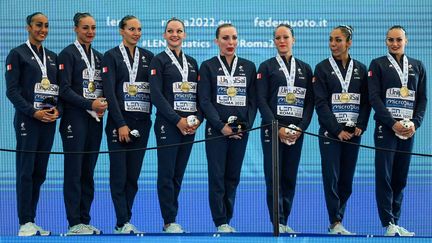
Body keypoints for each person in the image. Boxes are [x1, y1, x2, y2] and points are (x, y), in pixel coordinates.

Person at [368, 25, 427, 237]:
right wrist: (393, 123)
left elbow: (422, 99)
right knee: (384, 175)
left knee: (400, 177)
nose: (394, 44)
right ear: (386, 41)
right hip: (386, 128)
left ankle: (396, 221)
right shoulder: (378, 64)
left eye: (398, 40)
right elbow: (374, 98)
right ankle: (388, 223)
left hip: (408, 131)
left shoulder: (418, 66)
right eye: (391, 40)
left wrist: (415, 123)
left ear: (406, 41)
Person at [198, 23, 257, 233]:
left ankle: (228, 220)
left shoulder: (249, 67)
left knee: (233, 176)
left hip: (240, 133)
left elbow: (253, 101)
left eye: (233, 38)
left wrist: (245, 127)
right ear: (217, 41)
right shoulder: (207, 66)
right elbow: (204, 101)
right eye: (225, 38)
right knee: (217, 176)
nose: (230, 42)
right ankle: (220, 221)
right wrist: (220, 126)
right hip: (216, 131)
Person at [5, 12, 59, 236]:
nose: (43, 30)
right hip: (29, 120)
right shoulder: (17, 54)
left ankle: (32, 220)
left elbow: (58, 91)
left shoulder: (53, 57)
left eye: (46, 26)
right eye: (38, 25)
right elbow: (12, 92)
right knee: (26, 171)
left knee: (40, 172)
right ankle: (24, 222)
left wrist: (58, 110)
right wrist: (32, 112)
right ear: (28, 27)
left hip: (48, 122)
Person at [256, 24, 314, 233]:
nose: (282, 41)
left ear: (293, 40)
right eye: (278, 38)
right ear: (274, 41)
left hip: (296, 132)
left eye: (286, 37)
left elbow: (309, 103)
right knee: (274, 177)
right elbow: (261, 100)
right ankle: (277, 222)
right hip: (272, 131)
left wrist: (301, 129)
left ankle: (284, 220)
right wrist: (276, 127)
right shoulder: (266, 67)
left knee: (289, 177)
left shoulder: (305, 69)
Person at [313, 25, 370, 235]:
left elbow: (366, 101)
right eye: (331, 40)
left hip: (353, 134)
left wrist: (361, 125)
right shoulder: (322, 68)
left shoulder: (361, 69)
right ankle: (335, 221)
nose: (333, 44)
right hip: (331, 133)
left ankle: (338, 221)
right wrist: (337, 130)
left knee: (347, 180)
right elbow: (321, 103)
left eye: (338, 40)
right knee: (332, 178)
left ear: (349, 43)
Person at [101, 15, 154, 234]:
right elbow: (110, 93)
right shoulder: (111, 56)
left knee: (133, 176)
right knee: (119, 174)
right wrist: (120, 123)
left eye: (139, 29)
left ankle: (125, 221)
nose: (136, 33)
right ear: (121, 31)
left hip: (142, 123)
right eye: (131, 29)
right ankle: (122, 221)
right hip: (118, 124)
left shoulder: (149, 57)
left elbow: (156, 90)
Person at [149, 17, 201, 233]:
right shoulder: (158, 61)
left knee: (178, 173)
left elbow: (199, 96)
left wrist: (196, 119)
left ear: (184, 35)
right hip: (168, 125)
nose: (175, 35)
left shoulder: (192, 62)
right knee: (167, 173)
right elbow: (156, 95)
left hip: (188, 127)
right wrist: (176, 120)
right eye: (170, 31)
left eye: (179, 31)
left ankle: (172, 218)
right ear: (164, 35)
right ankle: (169, 220)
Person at [57, 12, 107, 235]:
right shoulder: (67, 54)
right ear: (75, 29)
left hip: (94, 120)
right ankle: (74, 222)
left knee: (88, 171)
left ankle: (85, 220)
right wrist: (90, 104)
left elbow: (102, 87)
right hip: (74, 119)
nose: (90, 32)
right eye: (85, 28)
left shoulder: (99, 56)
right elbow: (64, 90)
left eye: (93, 28)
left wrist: (101, 104)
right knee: (74, 170)